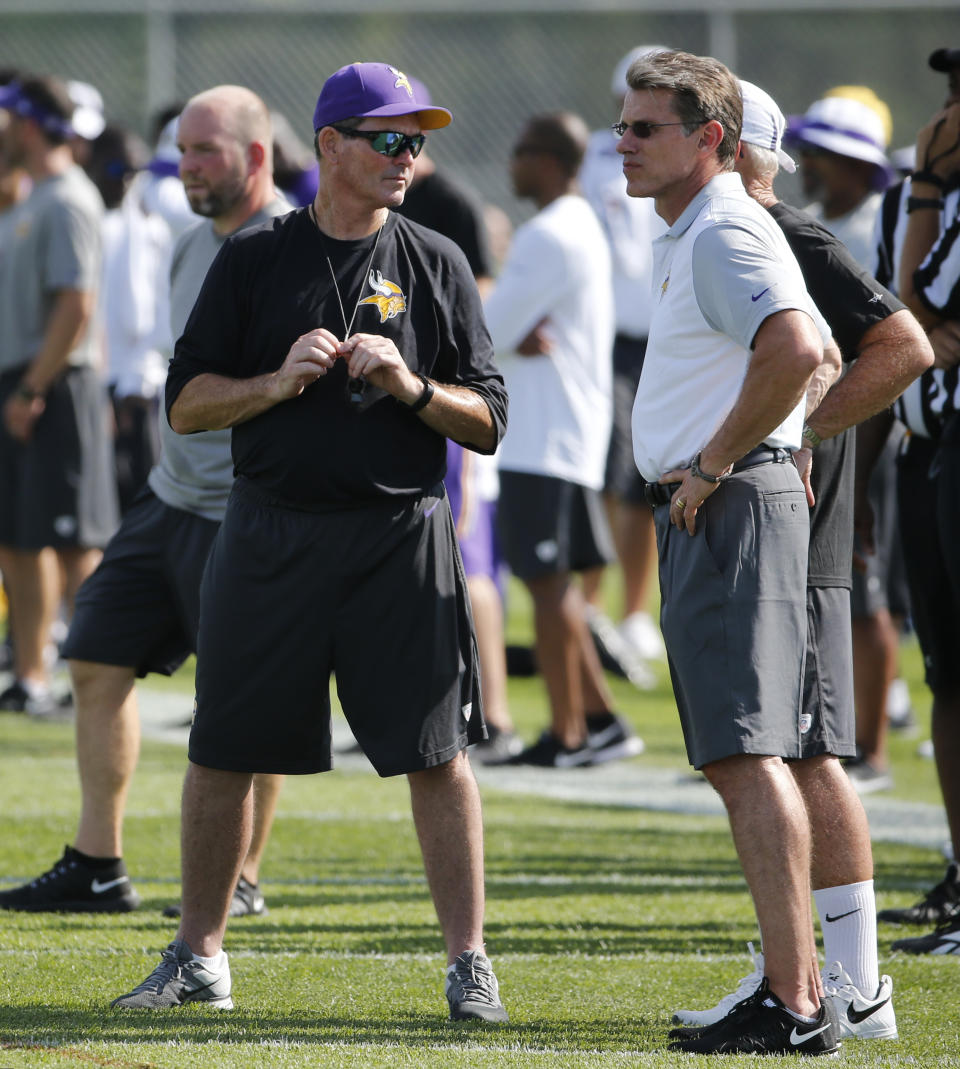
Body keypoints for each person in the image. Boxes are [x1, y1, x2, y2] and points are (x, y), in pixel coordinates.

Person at [109, 62, 509, 1024]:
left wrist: (412, 386)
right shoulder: (253, 258)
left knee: (437, 754)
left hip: (401, 536)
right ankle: (199, 956)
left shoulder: (438, 261)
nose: (406, 157)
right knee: (223, 750)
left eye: (415, 141)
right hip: (270, 532)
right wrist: (276, 383)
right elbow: (188, 403)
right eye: (387, 139)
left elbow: (491, 420)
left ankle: (470, 964)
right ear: (329, 146)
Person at [672, 78, 932, 1042]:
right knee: (803, 748)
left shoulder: (783, 234)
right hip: (791, 524)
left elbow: (903, 347)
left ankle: (851, 984)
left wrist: (792, 433)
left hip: (800, 530)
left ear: (735, 145)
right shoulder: (735, 234)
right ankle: (840, 979)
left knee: (806, 749)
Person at [0, 85, 290, 919]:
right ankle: (99, 863)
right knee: (94, 657)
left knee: (246, 697)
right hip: (169, 496)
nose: (188, 167)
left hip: (242, 508)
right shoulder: (188, 241)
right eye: (183, 151)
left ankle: (242, 876)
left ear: (256, 157)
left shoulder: (289, 250)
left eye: (207, 151)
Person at [617, 49, 838, 1055]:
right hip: (736, 499)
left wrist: (715, 464)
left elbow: (798, 348)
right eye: (623, 125)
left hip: (727, 506)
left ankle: (794, 1002)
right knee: (747, 756)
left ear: (710, 139)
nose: (624, 142)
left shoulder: (720, 228)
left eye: (645, 128)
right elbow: (822, 356)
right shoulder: (699, 227)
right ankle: (793, 991)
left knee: (748, 758)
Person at [486, 111, 638, 768]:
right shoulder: (579, 226)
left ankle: (569, 733)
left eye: (520, 150)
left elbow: (482, 329)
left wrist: (498, 334)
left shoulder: (549, 234)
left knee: (545, 585)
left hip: (541, 437)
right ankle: (601, 718)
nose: (512, 162)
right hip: (565, 432)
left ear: (548, 159)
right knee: (557, 586)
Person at [0, 74, 118, 719]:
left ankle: (92, 672)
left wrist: (31, 387)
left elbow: (76, 305)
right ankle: (30, 675)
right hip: (23, 382)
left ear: (25, 122)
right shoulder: (29, 197)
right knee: (18, 539)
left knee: (75, 543)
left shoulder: (68, 199)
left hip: (49, 384)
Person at [878, 46, 960, 955]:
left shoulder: (921, 198)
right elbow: (911, 331)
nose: (946, 113)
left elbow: (919, 314)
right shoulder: (913, 199)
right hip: (929, 444)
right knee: (947, 669)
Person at [578, 45, 667, 680]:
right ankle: (591, 609)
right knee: (604, 468)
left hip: (659, 338)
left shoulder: (685, 160)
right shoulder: (590, 160)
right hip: (602, 339)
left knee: (644, 472)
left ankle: (635, 613)